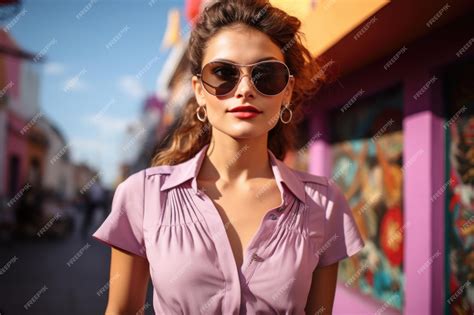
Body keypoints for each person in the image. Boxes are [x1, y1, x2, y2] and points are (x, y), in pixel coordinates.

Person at [92, 0, 365, 314]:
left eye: (266, 74)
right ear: (198, 91)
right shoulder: (143, 196)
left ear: (286, 92)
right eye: (223, 73)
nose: (245, 89)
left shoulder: (324, 203)